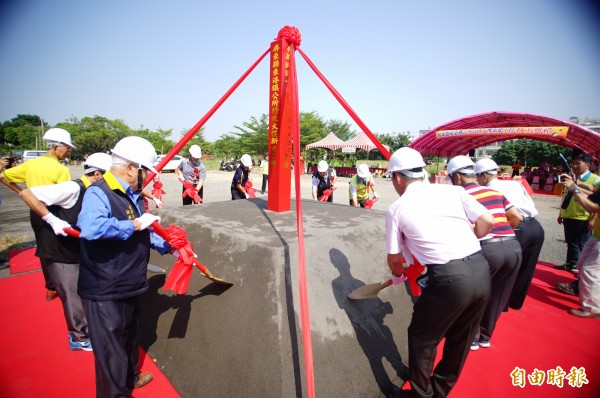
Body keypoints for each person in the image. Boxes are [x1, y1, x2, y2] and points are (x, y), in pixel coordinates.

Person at [385, 148, 494, 398]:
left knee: (423, 338)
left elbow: (393, 259)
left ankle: (421, 395)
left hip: (449, 279)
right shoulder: (454, 191)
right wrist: (465, 246)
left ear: (399, 178)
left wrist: (398, 275)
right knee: (462, 338)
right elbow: (488, 220)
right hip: (480, 268)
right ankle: (440, 390)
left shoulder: (397, 208)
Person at [76, 137, 173, 395]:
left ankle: (131, 378)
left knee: (129, 338)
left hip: (130, 282)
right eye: (146, 172)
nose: (148, 178)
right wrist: (135, 224)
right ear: (131, 167)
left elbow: (144, 232)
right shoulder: (99, 192)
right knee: (111, 352)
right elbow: (92, 228)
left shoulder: (133, 195)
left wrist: (168, 244)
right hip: (104, 287)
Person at [17, 152, 113, 352]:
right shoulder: (72, 188)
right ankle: (79, 338)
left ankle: (89, 330)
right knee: (72, 298)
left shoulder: (94, 191)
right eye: (108, 176)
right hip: (59, 251)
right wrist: (51, 219)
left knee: (84, 293)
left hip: (77, 249)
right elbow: (27, 193)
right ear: (96, 174)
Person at [447, 155, 523, 350]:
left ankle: (471, 338)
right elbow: (516, 217)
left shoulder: (459, 196)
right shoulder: (494, 192)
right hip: (513, 247)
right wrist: (502, 233)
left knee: (477, 294)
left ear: (456, 177)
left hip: (487, 249)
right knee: (499, 294)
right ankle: (485, 336)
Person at [0, 128, 74, 301]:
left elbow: (3, 177)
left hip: (35, 210)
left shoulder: (30, 165)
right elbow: (67, 195)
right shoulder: (60, 169)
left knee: (42, 246)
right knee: (59, 248)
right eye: (67, 148)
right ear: (56, 147)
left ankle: (50, 287)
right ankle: (61, 283)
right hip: (55, 211)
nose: (68, 151)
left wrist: (22, 192)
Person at [475, 158, 545, 310]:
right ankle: (515, 302)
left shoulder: (489, 191)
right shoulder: (514, 183)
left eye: (477, 177)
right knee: (527, 268)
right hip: (536, 226)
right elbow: (529, 202)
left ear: (484, 175)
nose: (476, 181)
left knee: (508, 270)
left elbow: (510, 216)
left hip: (518, 227)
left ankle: (502, 304)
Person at [557, 174, 600, 317]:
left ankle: (592, 309)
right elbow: (592, 192)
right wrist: (575, 185)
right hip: (597, 235)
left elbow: (591, 207)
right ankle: (589, 294)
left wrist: (574, 188)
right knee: (581, 265)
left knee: (590, 270)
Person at [556, 153, 599, 272]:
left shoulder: (595, 179)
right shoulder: (571, 177)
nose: (574, 166)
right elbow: (566, 196)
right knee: (571, 242)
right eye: (573, 163)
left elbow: (596, 199)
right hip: (569, 214)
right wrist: (561, 213)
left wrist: (593, 219)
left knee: (582, 244)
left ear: (588, 165)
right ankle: (570, 263)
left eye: (577, 163)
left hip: (583, 216)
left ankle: (580, 269)